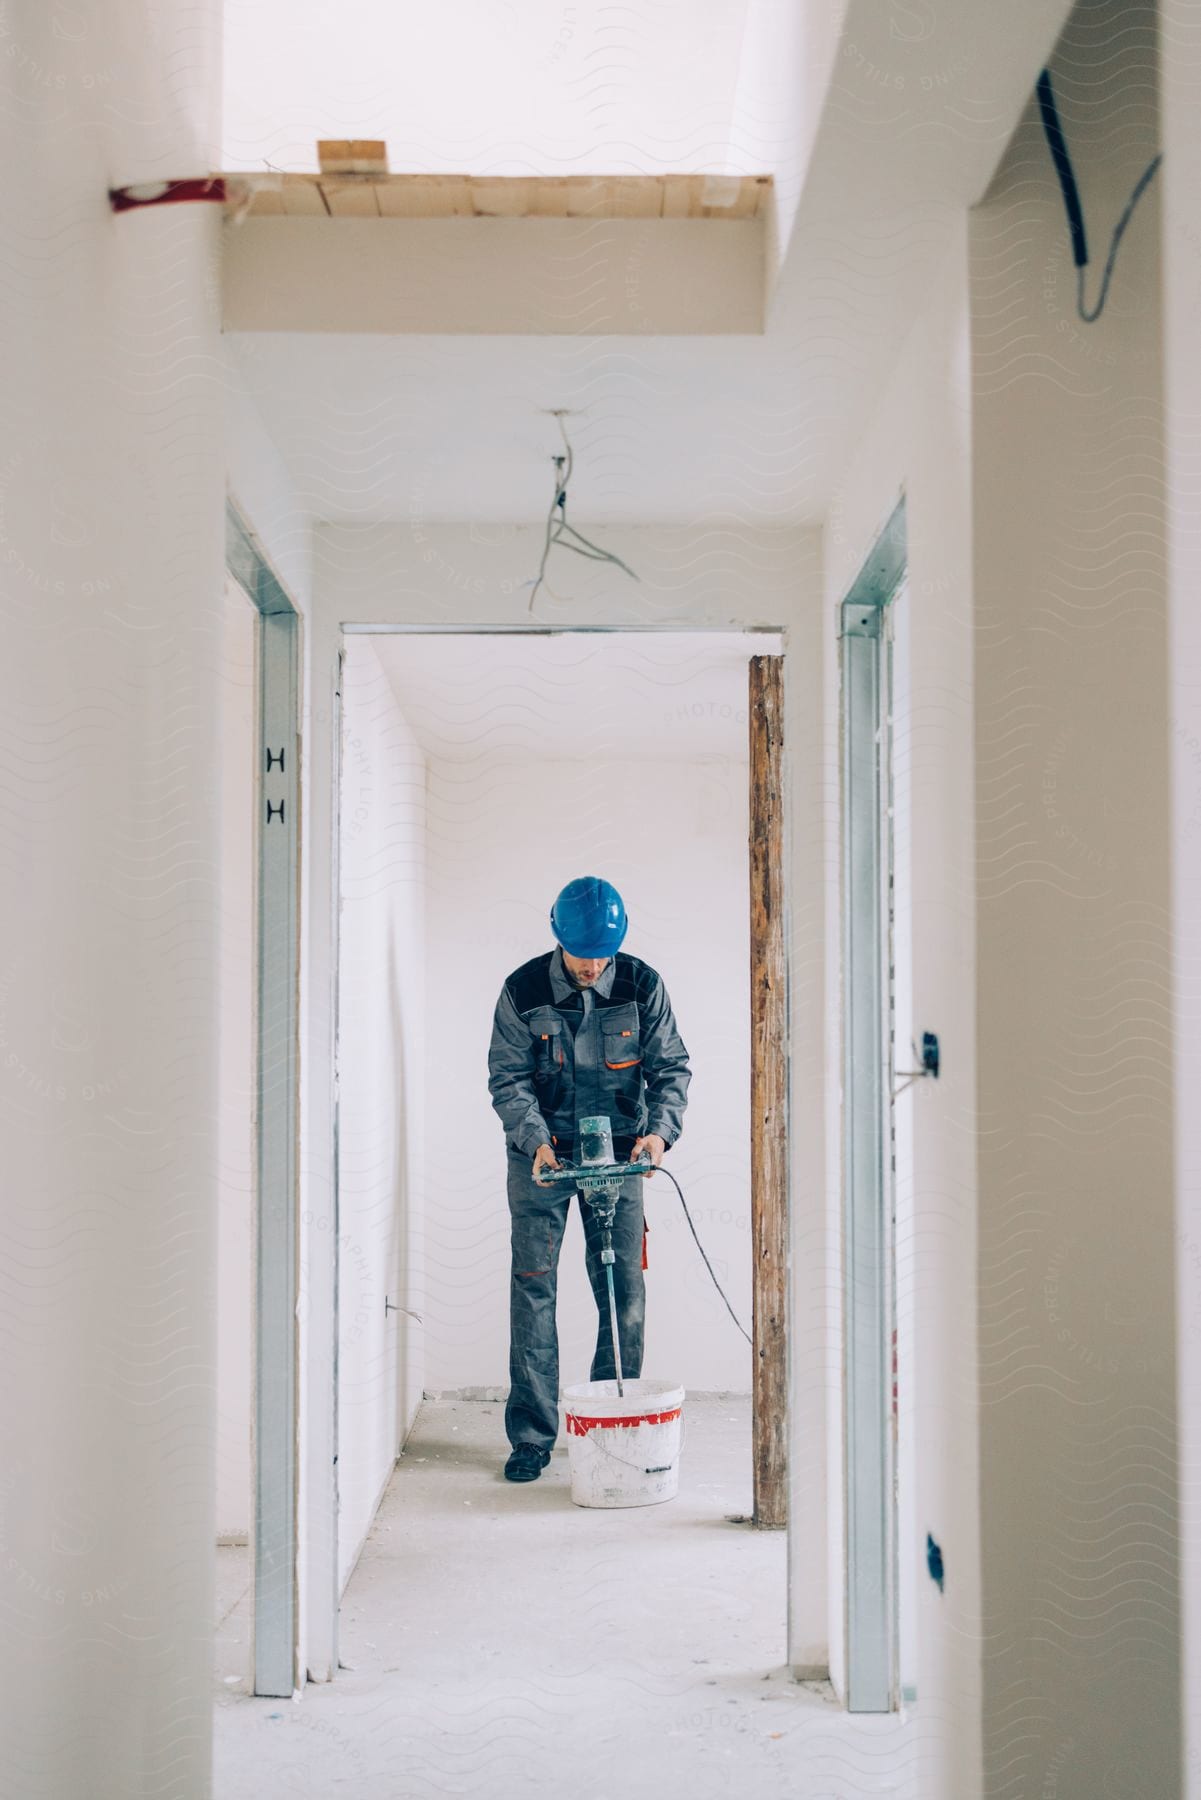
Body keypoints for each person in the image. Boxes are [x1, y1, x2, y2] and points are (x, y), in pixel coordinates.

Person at [487, 877, 692, 1483]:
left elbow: (671, 1066)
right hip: (543, 1158)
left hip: (622, 1154)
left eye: (603, 954)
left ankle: (613, 1421)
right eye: (583, 955)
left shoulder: (640, 984)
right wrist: (537, 1141)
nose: (594, 965)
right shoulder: (522, 991)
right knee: (533, 1288)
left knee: (621, 1287)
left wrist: (658, 1135)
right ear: (559, 938)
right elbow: (508, 1079)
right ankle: (531, 1437)